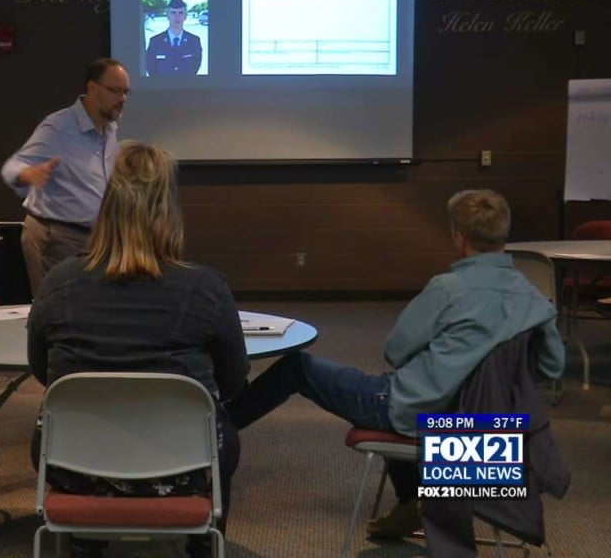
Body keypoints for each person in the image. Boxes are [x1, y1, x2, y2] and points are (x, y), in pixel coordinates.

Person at [223, 188, 566, 539]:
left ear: (459, 237)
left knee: (298, 367)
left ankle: (216, 432)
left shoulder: (448, 289)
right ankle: (412, 500)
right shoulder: (535, 299)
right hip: (490, 426)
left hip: (415, 413)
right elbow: (551, 368)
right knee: (396, 386)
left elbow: (397, 350)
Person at [27, 141, 249, 558]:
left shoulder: (58, 283)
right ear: (170, 212)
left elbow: (42, 371)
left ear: (107, 208)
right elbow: (233, 381)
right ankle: (202, 545)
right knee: (219, 426)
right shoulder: (206, 289)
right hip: (186, 469)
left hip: (71, 466)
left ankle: (83, 539)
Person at [1, 57, 130, 296]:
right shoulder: (59, 127)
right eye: (115, 91)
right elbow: (12, 167)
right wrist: (28, 174)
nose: (122, 99)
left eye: (126, 92)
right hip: (57, 237)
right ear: (93, 88)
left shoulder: (109, 129)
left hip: (94, 239)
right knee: (58, 310)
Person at [145, 0, 203, 76]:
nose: (177, 16)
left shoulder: (194, 41)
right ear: (167, 15)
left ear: (185, 16)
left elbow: (195, 67)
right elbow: (151, 67)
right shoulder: (155, 41)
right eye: (173, 13)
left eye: (180, 13)